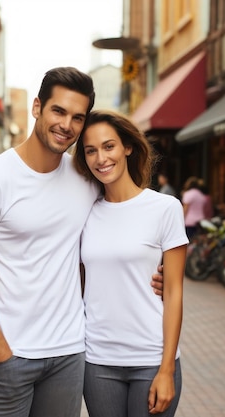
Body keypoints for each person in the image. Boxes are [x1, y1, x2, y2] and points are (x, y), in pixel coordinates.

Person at [0, 67, 164, 417]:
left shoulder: (85, 178)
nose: (66, 124)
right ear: (37, 107)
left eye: (77, 117)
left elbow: (122, 224)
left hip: (69, 355)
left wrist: (159, 273)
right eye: (58, 111)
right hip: (10, 355)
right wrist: (0, 352)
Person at [73, 110, 187, 417]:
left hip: (151, 358)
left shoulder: (165, 208)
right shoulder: (84, 212)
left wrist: (166, 369)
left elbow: (174, 292)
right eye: (91, 150)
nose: (101, 158)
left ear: (127, 147)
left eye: (108, 146)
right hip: (98, 360)